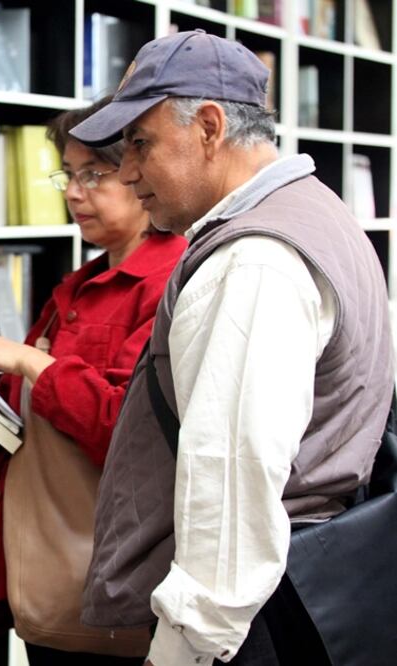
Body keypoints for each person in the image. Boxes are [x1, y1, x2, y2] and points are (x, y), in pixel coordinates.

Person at [68, 30, 393, 665]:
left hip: (254, 618)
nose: (128, 171)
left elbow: (230, 479)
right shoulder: (315, 211)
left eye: (141, 143)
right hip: (296, 588)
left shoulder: (253, 260)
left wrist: (187, 647)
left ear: (210, 127)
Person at [0, 96, 186, 663]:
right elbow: (26, 438)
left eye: (94, 173)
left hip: (112, 578)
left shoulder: (169, 283)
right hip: (44, 568)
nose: (73, 192)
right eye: (68, 174)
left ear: (139, 172)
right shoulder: (77, 285)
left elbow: (128, 436)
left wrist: (29, 363)